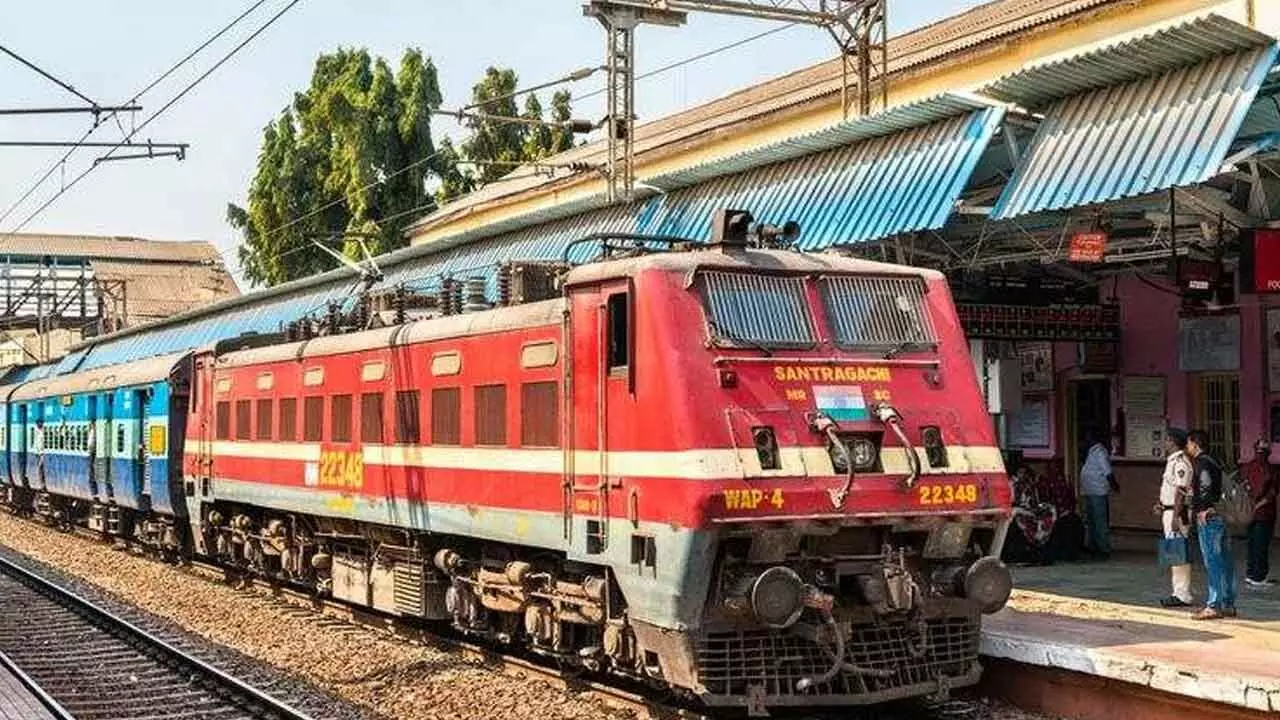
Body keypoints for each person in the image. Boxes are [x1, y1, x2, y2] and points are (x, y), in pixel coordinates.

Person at [1186, 431, 1237, 619]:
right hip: (1220, 516)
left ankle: (1213, 604)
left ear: (1195, 444)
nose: (1187, 448)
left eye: (1189, 444)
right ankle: (1228, 603)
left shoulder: (1202, 463)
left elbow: (1206, 485)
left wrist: (1204, 508)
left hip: (1209, 518)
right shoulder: (1216, 461)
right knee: (1226, 560)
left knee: (1213, 561)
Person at [1156, 428, 1194, 608]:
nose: (1165, 443)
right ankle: (1177, 591)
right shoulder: (1172, 461)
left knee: (1178, 553)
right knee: (1174, 553)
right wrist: (1161, 505)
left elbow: (1181, 491)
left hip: (1177, 513)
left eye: (1167, 440)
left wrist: (1176, 517)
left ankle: (1182, 594)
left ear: (1173, 441)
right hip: (1169, 510)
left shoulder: (1181, 462)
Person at [1242, 437, 1277, 587]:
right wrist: (1257, 506)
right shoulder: (1271, 470)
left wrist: (1249, 507)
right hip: (1264, 514)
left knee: (1252, 544)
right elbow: (1271, 494)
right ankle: (1258, 577)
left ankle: (1251, 574)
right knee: (1261, 545)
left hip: (1248, 513)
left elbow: (1241, 489)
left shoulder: (1246, 468)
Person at [1079, 432, 1117, 559]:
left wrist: (1114, 485)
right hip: (1089, 490)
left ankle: (1103, 549)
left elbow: (1107, 471)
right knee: (1091, 521)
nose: (1085, 441)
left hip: (1098, 491)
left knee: (1100, 521)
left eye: (1087, 438)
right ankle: (1093, 545)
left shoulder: (1099, 451)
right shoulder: (1089, 451)